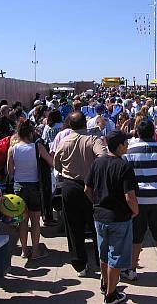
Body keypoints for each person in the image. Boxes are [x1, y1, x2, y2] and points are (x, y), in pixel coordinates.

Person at [84, 130, 139, 303]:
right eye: (125, 143)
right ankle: (111, 294)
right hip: (119, 218)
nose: (127, 146)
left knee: (103, 254)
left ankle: (105, 283)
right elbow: (129, 197)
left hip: (100, 216)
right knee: (115, 257)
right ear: (119, 145)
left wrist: (97, 203)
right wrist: (135, 211)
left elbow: (87, 189)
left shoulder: (97, 163)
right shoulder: (124, 166)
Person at [123, 120, 157, 279]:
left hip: (138, 200)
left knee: (136, 236)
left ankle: (131, 270)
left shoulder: (130, 150)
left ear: (137, 133)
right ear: (154, 132)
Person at [54, 111, 107, 276]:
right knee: (96, 225)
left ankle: (80, 264)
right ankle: (101, 261)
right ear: (86, 124)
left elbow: (56, 164)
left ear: (70, 124)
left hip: (69, 187)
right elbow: (103, 157)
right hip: (90, 186)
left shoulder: (63, 141)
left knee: (73, 227)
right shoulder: (92, 140)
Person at [7, 120, 53, 259]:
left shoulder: (12, 149)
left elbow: (10, 172)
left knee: (22, 221)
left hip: (18, 187)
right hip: (34, 186)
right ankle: (35, 251)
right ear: (31, 132)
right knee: (35, 221)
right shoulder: (37, 147)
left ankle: (24, 251)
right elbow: (51, 163)